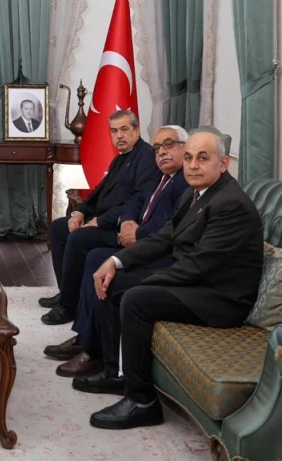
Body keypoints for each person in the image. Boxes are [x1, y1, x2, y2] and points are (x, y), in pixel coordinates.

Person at [78, 128, 263, 430]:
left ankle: (142, 402)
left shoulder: (230, 204)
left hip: (221, 299)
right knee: (117, 281)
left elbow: (198, 266)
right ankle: (117, 373)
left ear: (223, 163)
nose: (193, 165)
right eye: (188, 158)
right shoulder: (196, 193)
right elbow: (165, 238)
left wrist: (144, 281)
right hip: (198, 282)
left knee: (135, 299)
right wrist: (117, 261)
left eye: (202, 158)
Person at [45, 125, 190, 377]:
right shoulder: (161, 174)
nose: (162, 152)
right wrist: (126, 221)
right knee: (90, 253)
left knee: (95, 256)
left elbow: (170, 224)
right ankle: (85, 336)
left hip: (156, 250)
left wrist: (136, 233)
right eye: (158, 148)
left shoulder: (186, 180)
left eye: (169, 145)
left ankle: (93, 349)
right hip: (131, 233)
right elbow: (136, 201)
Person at [41, 110, 160, 325]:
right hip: (105, 221)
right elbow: (99, 191)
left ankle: (68, 307)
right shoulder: (121, 158)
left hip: (120, 228)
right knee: (59, 228)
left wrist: (101, 221)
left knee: (78, 238)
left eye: (124, 129)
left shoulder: (146, 158)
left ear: (137, 130)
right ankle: (67, 291)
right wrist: (80, 211)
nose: (119, 136)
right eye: (114, 131)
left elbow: (139, 201)